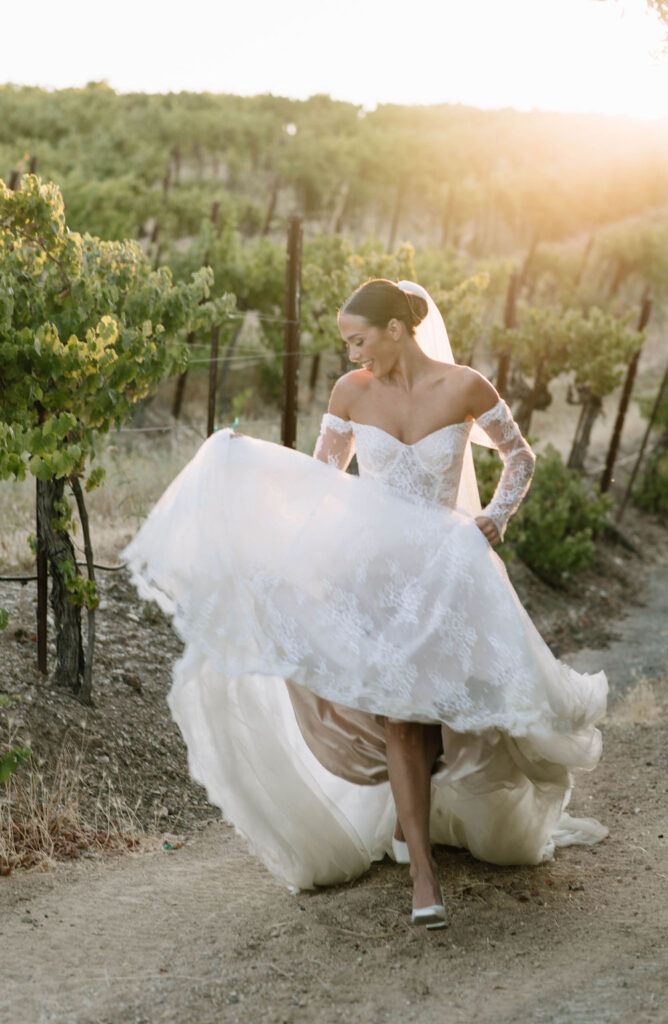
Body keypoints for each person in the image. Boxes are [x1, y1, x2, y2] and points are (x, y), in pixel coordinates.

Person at [123, 279, 608, 930]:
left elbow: (518, 460)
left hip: (450, 571)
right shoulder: (350, 393)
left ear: (397, 330)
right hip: (376, 577)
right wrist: (251, 469)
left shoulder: (466, 387)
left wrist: (491, 519)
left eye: (359, 340)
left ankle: (422, 822)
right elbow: (323, 479)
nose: (352, 355)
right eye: (346, 343)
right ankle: (422, 876)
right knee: (402, 718)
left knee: (452, 712)